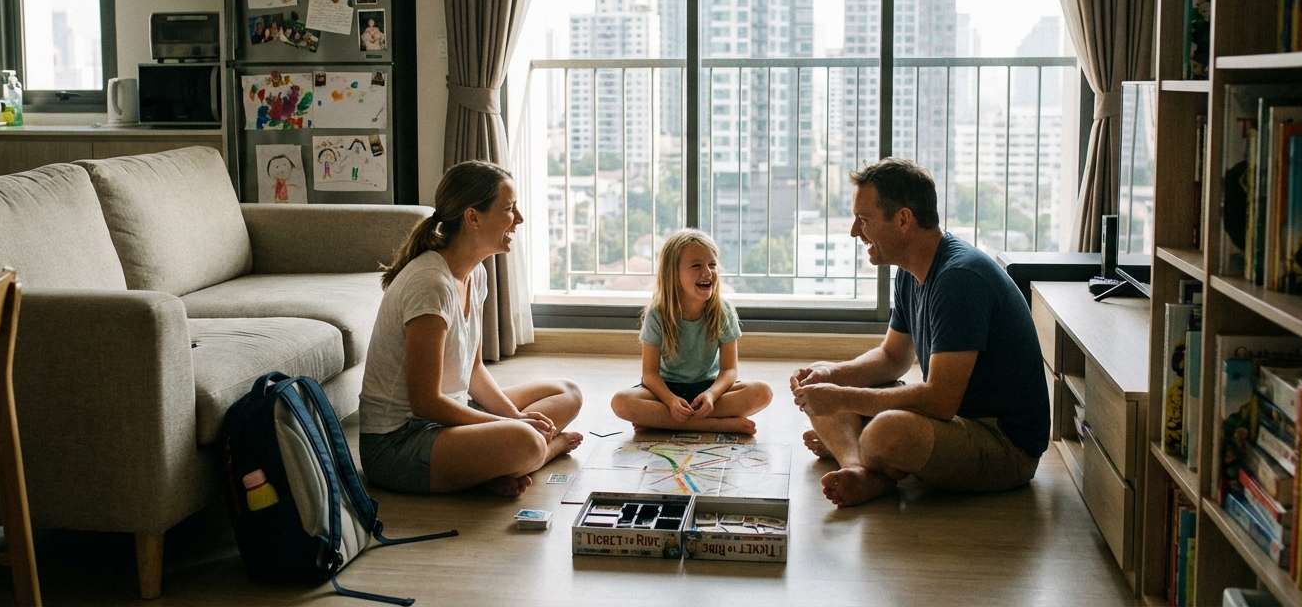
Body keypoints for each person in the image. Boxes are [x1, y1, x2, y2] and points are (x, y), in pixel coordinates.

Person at [790, 157, 1049, 507]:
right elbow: (892, 358)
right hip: (956, 420)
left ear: (903, 220)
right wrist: (830, 378)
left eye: (864, 220)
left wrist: (841, 399)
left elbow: (940, 401)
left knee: (885, 432)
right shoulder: (910, 272)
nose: (854, 232)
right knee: (825, 376)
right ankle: (859, 468)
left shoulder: (958, 279)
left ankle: (859, 449)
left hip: (1003, 443)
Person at [359, 161, 583, 496]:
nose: (519, 219)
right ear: (473, 218)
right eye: (509, 209)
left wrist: (513, 417)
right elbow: (425, 404)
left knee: (568, 393)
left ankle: (488, 467)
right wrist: (514, 425)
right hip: (399, 443)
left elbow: (474, 371)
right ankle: (543, 451)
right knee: (527, 441)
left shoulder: (475, 273)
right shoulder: (430, 283)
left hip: (452, 412)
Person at [611, 229, 772, 434]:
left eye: (712, 265)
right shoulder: (657, 314)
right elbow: (650, 374)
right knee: (621, 402)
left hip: (709, 388)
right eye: (696, 266)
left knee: (762, 392)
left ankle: (662, 422)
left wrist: (712, 395)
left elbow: (729, 370)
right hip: (666, 391)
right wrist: (670, 401)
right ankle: (717, 425)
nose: (707, 272)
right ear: (673, 273)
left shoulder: (723, 310)